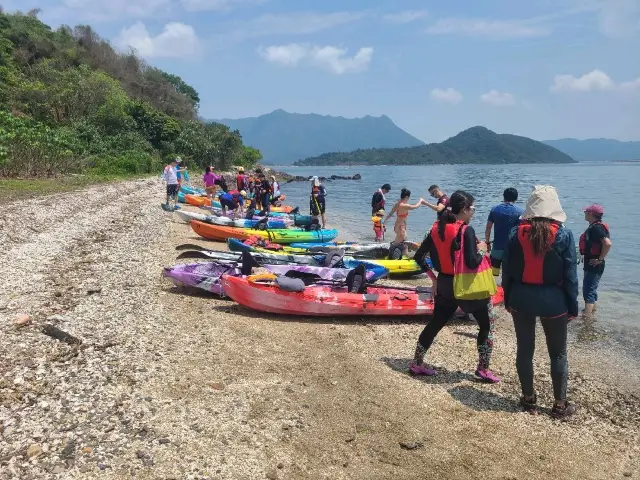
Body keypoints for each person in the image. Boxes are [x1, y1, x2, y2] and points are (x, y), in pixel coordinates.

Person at [502, 185, 578, 419]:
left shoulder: (516, 233)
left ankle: (528, 399)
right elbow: (571, 275)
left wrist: (507, 298)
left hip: (521, 298)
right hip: (553, 301)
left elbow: (507, 270)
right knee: (558, 354)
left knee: (525, 350)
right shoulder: (564, 235)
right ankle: (559, 405)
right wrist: (573, 306)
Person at [411, 190, 500, 383]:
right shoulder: (465, 230)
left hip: (444, 284)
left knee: (435, 323)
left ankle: (417, 363)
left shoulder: (436, 228)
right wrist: (483, 250)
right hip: (467, 287)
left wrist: (433, 279)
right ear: (464, 210)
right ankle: (483, 369)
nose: (474, 212)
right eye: (473, 208)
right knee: (486, 325)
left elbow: (418, 257)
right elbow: (472, 261)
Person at [580, 204, 611, 316]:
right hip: (592, 262)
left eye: (586, 212)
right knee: (589, 288)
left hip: (595, 263)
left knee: (589, 291)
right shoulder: (594, 226)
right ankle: (591, 312)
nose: (584, 214)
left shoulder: (597, 228)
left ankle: (586, 319)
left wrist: (600, 259)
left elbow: (607, 243)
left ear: (591, 214)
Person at [485, 188, 524, 276]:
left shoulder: (495, 209)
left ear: (503, 197)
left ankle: (494, 288)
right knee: (510, 274)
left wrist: (487, 242)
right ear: (516, 198)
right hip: (512, 249)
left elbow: (488, 228)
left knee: (493, 274)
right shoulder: (520, 212)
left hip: (497, 247)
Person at [384, 189, 424, 256]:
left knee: (402, 242)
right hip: (401, 227)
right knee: (401, 242)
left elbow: (390, 213)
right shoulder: (404, 205)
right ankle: (393, 255)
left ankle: (402, 255)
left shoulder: (397, 203)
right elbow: (415, 206)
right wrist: (421, 201)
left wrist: (384, 222)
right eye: (408, 198)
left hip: (398, 226)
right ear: (406, 197)